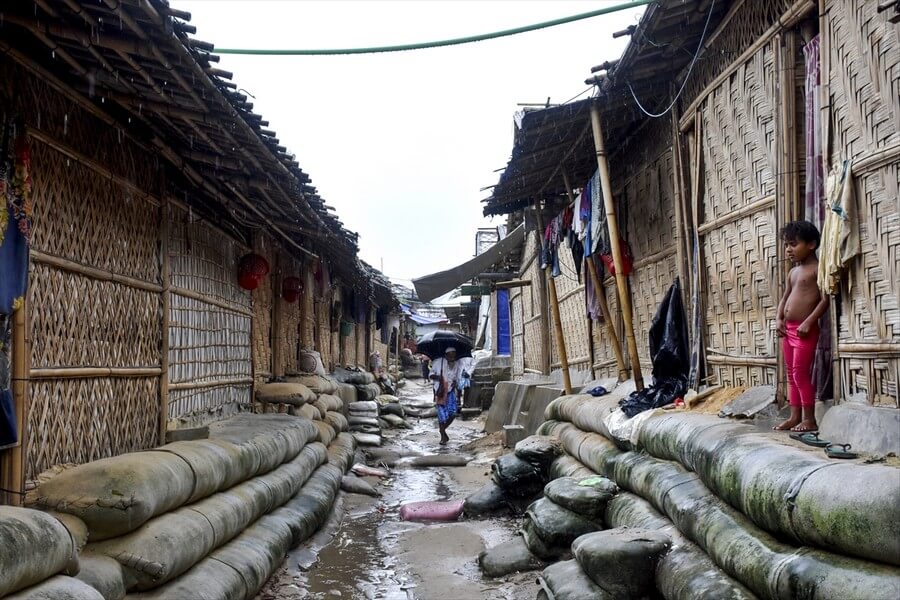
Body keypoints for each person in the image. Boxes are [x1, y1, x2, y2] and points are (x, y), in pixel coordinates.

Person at [774, 221, 829, 433]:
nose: (788, 249)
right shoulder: (793, 273)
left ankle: (809, 419)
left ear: (812, 244)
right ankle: (794, 416)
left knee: (800, 373)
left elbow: (825, 300)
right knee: (790, 373)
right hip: (787, 329)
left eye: (793, 244)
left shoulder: (817, 270)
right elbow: (785, 297)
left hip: (804, 330)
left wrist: (809, 321)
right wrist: (779, 318)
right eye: (786, 245)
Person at [429, 347, 463, 444]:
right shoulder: (438, 362)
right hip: (440, 391)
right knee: (441, 415)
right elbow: (430, 375)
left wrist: (456, 383)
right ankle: (443, 436)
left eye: (454, 355)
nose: (452, 358)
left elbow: (457, 377)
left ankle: (442, 430)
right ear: (446, 355)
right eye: (450, 356)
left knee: (452, 413)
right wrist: (438, 377)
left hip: (450, 391)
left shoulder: (457, 364)